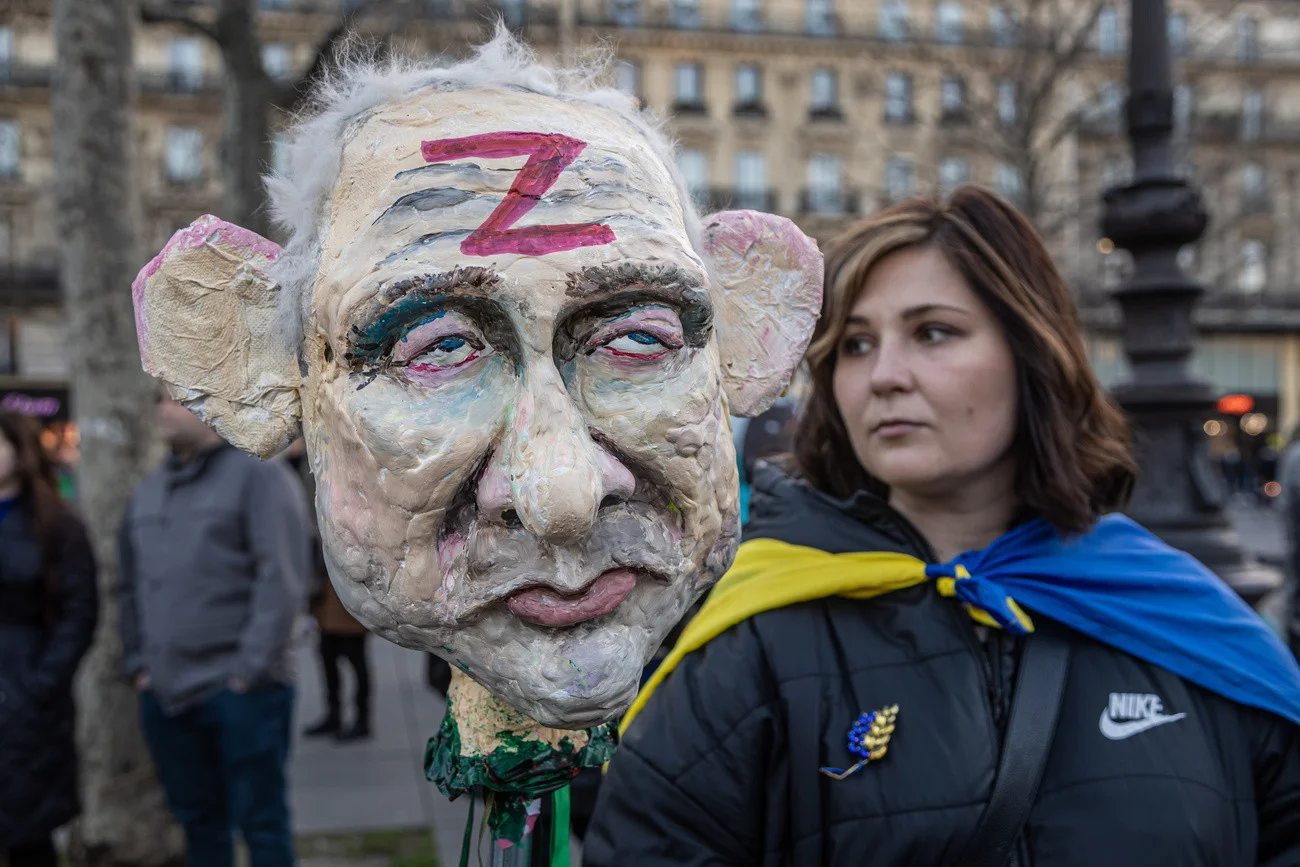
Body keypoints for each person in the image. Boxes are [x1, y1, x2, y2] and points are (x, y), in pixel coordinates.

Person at [587, 187, 1300, 865]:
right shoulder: (753, 635)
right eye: (857, 344)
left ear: (1032, 356)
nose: (885, 374)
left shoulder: (1182, 621)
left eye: (933, 332)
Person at [119, 388, 310, 867]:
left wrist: (245, 674)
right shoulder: (149, 490)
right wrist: (139, 665)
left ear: (212, 408)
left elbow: (282, 581)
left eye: (172, 399)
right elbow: (126, 585)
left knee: (261, 824)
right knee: (198, 825)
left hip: (242, 692)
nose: (160, 408)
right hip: (166, 695)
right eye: (156, 398)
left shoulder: (261, 476)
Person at [0, 411, 97, 867]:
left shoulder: (56, 523)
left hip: (28, 700)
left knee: (28, 832)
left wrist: (42, 684)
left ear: (19, 453)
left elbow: (80, 612)